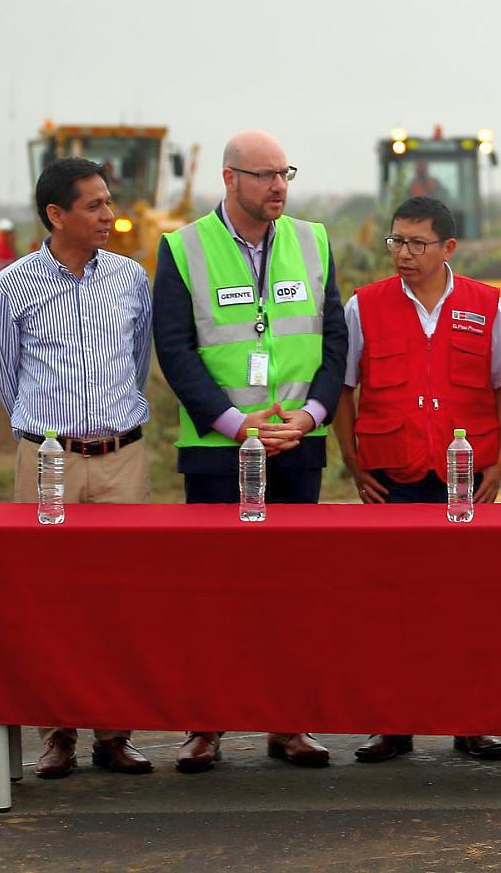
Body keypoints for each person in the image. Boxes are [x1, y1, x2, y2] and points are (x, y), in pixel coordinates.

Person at [153, 129, 347, 773]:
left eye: (284, 173)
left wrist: (313, 415)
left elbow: (335, 344)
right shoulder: (183, 249)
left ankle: (288, 725)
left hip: (297, 445)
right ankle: (205, 725)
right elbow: (175, 351)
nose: (278, 187)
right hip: (218, 450)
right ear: (230, 179)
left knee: (291, 594)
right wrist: (236, 423)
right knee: (214, 593)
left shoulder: (313, 241)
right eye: (264, 175)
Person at [0, 157, 155, 779]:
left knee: (119, 598)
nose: (109, 216)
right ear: (56, 215)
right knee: (49, 595)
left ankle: (116, 733)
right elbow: (7, 377)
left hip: (121, 459)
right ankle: (58, 733)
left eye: (109, 202)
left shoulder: (131, 279)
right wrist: (44, 435)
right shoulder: (13, 285)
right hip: (47, 460)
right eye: (94, 206)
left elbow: (137, 365)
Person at [334, 195, 501, 764]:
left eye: (417, 243)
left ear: (448, 248)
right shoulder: (364, 306)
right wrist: (354, 462)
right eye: (396, 241)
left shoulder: (487, 305)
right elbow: (343, 390)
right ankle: (393, 723)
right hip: (394, 476)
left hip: (465, 479)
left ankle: (471, 721)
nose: (404, 254)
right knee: (394, 605)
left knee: (467, 604)